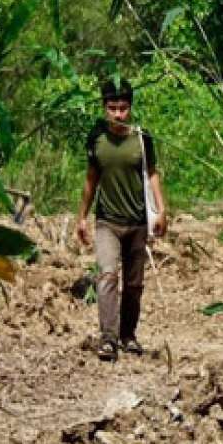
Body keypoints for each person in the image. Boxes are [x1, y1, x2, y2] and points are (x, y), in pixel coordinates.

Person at [75, 79, 167, 362]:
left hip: (137, 221)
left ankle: (129, 335)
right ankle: (108, 338)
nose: (118, 114)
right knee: (107, 275)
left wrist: (161, 209)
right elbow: (92, 179)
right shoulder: (97, 139)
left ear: (131, 108)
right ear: (104, 108)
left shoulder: (141, 138)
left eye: (123, 108)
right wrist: (81, 217)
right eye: (112, 108)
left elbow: (151, 173)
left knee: (135, 283)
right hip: (107, 221)